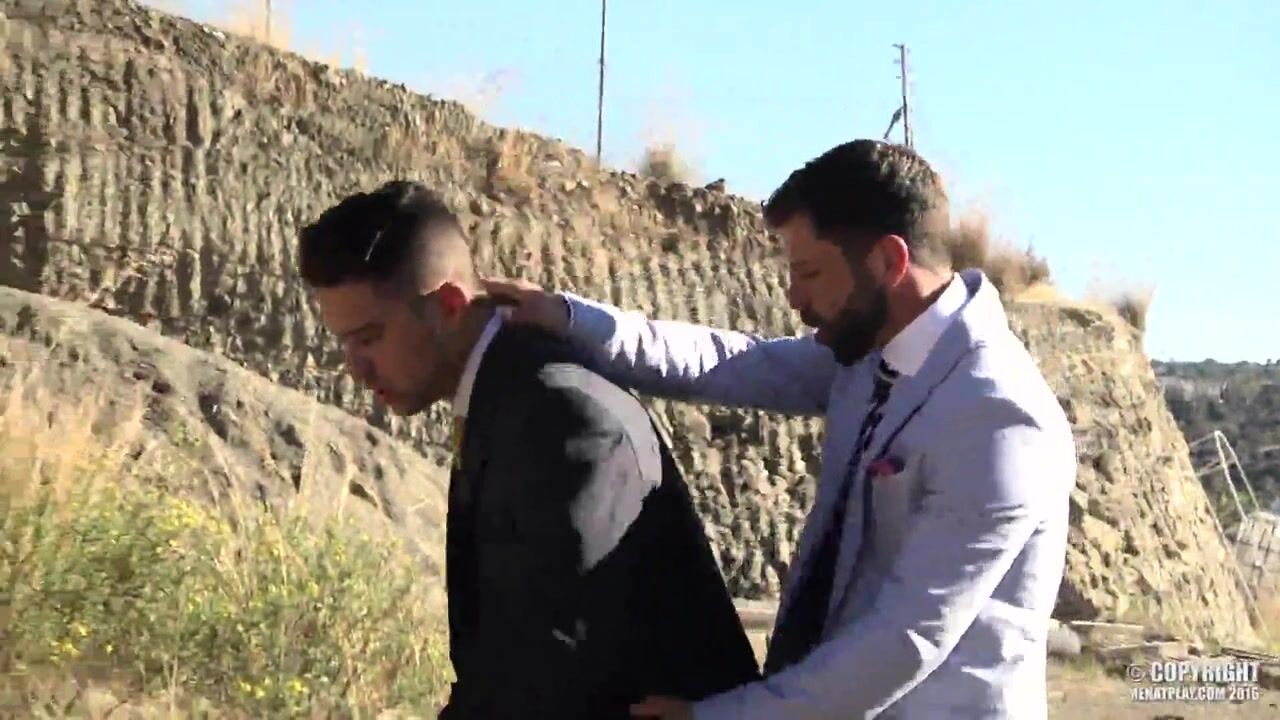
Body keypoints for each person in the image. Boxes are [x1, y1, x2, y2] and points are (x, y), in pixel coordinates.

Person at [485, 139, 1078, 719]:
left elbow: (905, 641)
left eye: (810, 272)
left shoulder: (996, 417)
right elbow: (734, 363)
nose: (795, 298)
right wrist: (571, 319)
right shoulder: (872, 355)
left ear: (889, 262)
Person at [295, 180, 761, 719]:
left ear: (448, 306)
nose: (355, 368)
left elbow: (547, 672)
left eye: (369, 337)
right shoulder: (511, 397)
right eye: (345, 342)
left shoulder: (559, 414)